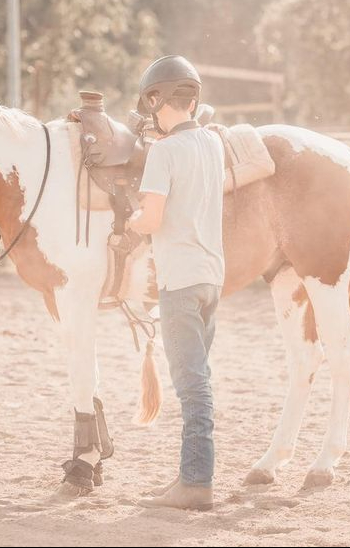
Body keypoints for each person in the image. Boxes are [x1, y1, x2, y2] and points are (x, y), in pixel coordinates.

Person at [128, 55, 225, 511]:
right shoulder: (213, 144)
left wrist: (130, 221)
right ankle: (190, 475)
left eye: (151, 99)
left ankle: (196, 483)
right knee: (199, 377)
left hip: (180, 281)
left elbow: (151, 219)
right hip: (211, 278)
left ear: (158, 99)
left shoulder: (163, 152)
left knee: (191, 384)